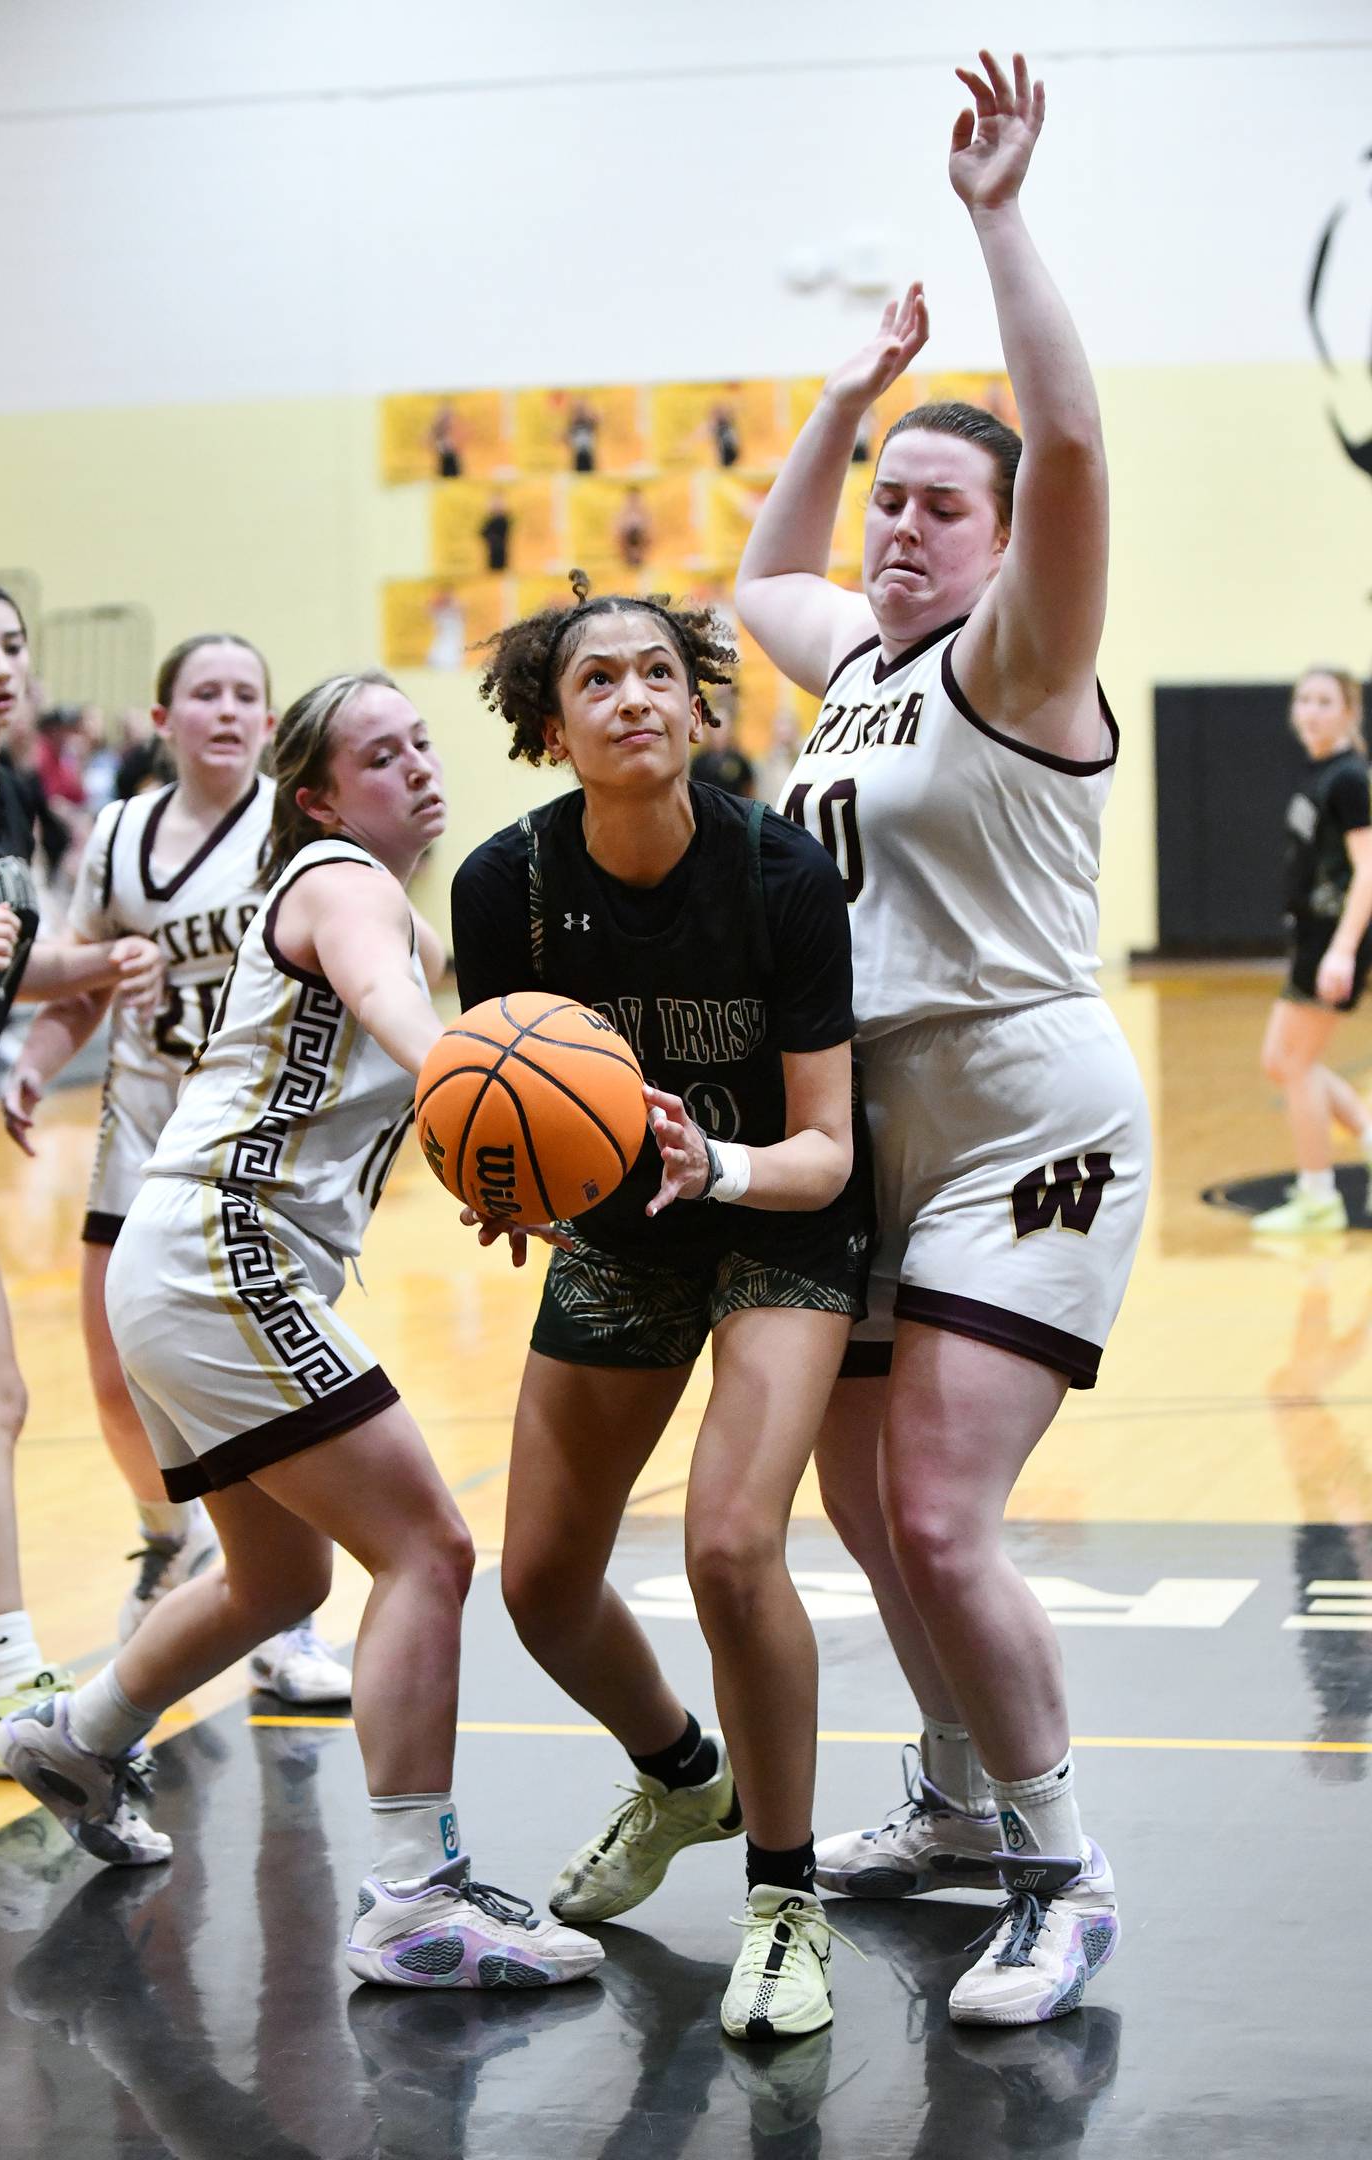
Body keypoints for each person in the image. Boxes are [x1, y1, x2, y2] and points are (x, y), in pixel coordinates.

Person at [734, 51, 1146, 2026]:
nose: (896, 528)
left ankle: (1066, 1874)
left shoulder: (1018, 657)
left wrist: (997, 223)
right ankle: (965, 1803)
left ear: (997, 542)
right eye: (888, 502)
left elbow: (1066, 443)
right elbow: (754, 582)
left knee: (931, 1509)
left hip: (1023, 1116)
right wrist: (843, 398)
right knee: (854, 1505)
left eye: (932, 504)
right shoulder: (862, 666)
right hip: (874, 1129)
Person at [0, 668, 599, 1990]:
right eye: (382, 756)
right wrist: (481, 1092)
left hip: (181, 1257)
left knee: (282, 1584)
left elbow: (390, 1068)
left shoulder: (370, 907)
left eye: (424, 745)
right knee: (430, 1550)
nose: (420, 768)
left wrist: (492, 1170)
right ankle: (415, 1898)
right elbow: (398, 1015)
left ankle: (82, 1738)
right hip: (226, 1253)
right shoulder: (343, 881)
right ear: (317, 797)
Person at [451, 577, 873, 2040]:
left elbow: (830, 1144)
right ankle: (687, 1776)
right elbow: (490, 1099)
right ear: (552, 730)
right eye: (596, 683)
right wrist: (502, 1179)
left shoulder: (779, 876)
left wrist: (721, 1162)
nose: (632, 698)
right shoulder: (506, 889)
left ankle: (786, 1895)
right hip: (625, 1235)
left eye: (657, 675)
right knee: (540, 1585)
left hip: (778, 1215)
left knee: (729, 1545)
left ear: (701, 707)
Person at [2, 634, 352, 1704]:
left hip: (255, 1144)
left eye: (249, 692)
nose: (229, 710)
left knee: (265, 1391)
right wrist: (35, 1068)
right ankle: (171, 1538)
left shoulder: (297, 826)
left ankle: (287, 1617)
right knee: (114, 1382)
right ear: (163, 721)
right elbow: (82, 986)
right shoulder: (116, 836)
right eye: (206, 693)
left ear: (268, 717)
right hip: (143, 1128)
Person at [0, 578, 164, 1765]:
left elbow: (1, 967)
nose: (1, 665)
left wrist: (100, 963)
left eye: (14, 645)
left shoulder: (6, 788)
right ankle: (8, 1678)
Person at [1251, 667, 1372, 1231]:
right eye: (1303, 700)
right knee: (1283, 1060)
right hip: (1313, 938)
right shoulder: (1318, 772)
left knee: (1293, 1062)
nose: (1311, 711)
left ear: (1350, 711)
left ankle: (1319, 1196)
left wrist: (1344, 949)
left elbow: (1368, 870)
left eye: (1325, 701)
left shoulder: (1350, 778)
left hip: (1335, 940)